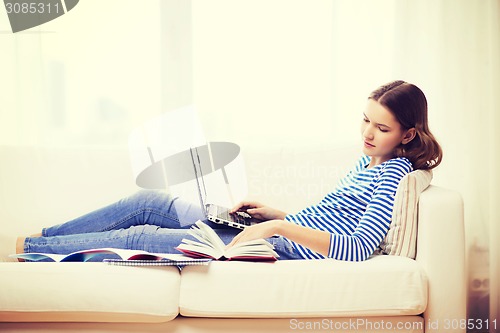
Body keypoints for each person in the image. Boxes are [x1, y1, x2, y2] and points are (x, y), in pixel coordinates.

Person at [16, 80, 442, 262]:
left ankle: (29, 250)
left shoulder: (393, 174)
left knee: (139, 239)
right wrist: (273, 214)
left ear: (407, 134)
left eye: (381, 127)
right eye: (365, 119)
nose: (367, 132)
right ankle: (44, 238)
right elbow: (333, 217)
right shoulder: (369, 161)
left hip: (274, 248)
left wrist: (276, 230)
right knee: (148, 200)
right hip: (272, 231)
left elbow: (358, 247)